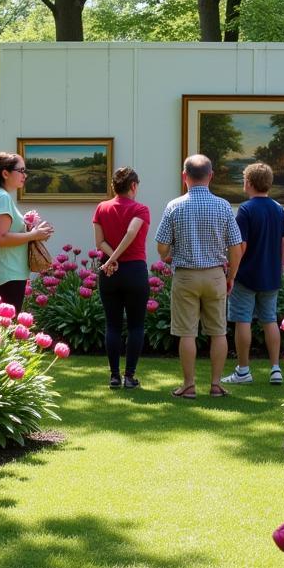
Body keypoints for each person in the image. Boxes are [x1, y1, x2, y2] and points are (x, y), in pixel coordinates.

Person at [154, 154, 244, 399]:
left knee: (187, 333)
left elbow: (161, 245)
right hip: (215, 274)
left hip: (185, 276)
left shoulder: (174, 206)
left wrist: (167, 256)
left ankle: (189, 385)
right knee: (218, 332)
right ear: (211, 176)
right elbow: (236, 247)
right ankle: (215, 385)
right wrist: (231, 275)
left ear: (185, 176)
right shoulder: (224, 206)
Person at [222, 162, 284, 387]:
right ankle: (275, 369)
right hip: (271, 276)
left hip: (247, 275)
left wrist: (232, 273)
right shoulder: (278, 209)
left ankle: (243, 370)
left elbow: (240, 246)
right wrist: (276, 263)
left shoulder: (246, 209)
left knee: (242, 320)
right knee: (269, 320)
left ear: (248, 183)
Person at [93, 166, 150, 389]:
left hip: (110, 273)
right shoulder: (141, 209)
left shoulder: (101, 208)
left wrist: (110, 260)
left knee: (113, 325)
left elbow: (100, 242)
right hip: (134, 271)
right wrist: (114, 259)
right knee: (136, 325)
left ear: (113, 186)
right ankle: (129, 376)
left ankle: (114, 376)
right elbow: (131, 233)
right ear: (133, 186)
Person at [0, 152, 53, 314]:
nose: (24, 175)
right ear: (5, 173)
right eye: (21, 170)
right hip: (7, 274)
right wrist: (35, 234)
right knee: (7, 329)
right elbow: (0, 238)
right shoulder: (2, 198)